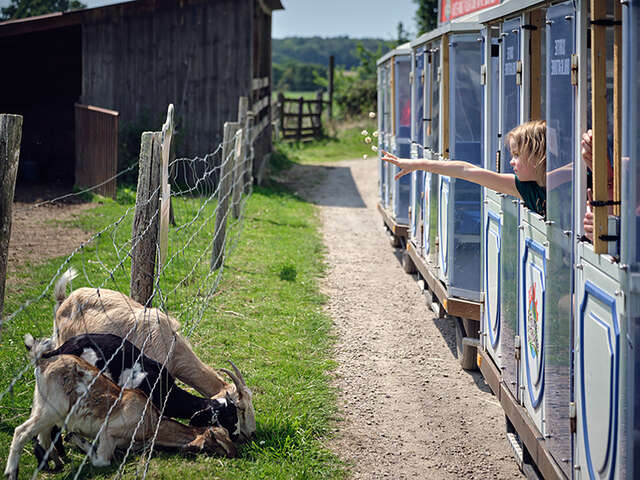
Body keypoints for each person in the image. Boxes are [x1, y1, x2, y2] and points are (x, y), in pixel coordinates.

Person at [381, 120, 547, 216]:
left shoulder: (565, 182)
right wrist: (417, 164)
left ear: (537, 155)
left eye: (517, 155)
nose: (511, 162)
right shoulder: (523, 188)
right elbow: (466, 171)